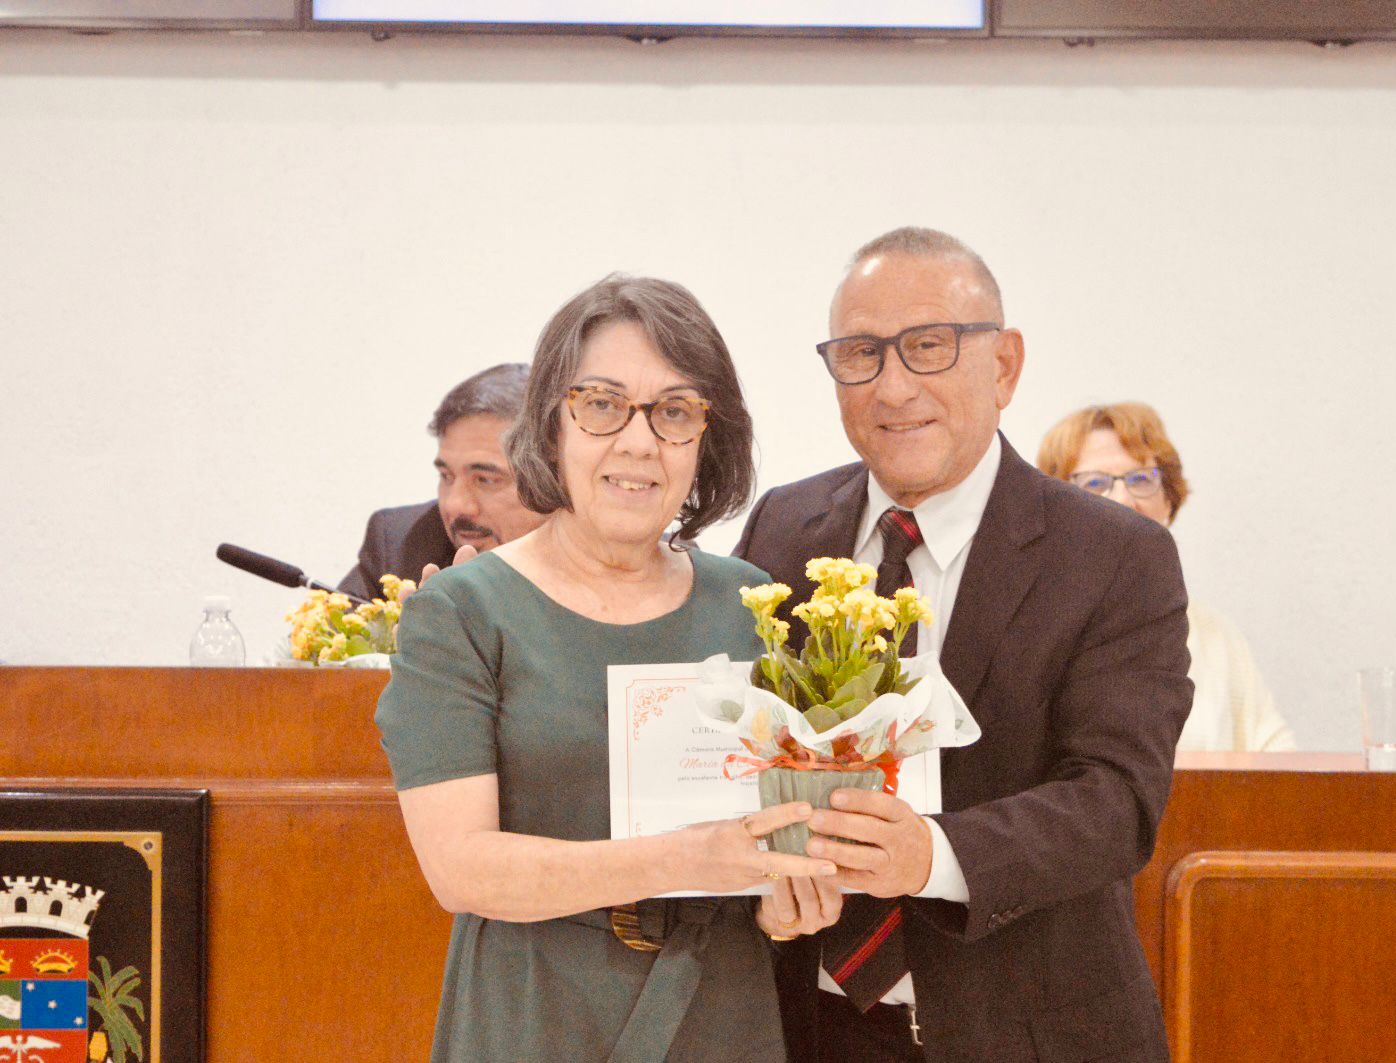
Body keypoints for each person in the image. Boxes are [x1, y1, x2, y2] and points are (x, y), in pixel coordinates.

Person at [736, 228, 1193, 1062]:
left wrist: (931, 854)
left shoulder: (1115, 555)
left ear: (1004, 365)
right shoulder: (784, 527)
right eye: (861, 353)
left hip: (1031, 1035)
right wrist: (761, 879)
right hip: (810, 1028)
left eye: (929, 345)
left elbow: (1116, 800)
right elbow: (737, 751)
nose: (893, 385)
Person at [374, 276, 842, 1061]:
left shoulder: (752, 604)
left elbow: (763, 842)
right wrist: (687, 857)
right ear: (550, 425)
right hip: (534, 1012)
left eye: (674, 411)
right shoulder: (461, 612)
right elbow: (461, 869)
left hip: (722, 1009)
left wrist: (786, 899)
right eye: (601, 404)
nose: (638, 441)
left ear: (708, 437)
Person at [1037, 402, 1295, 752]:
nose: (1123, 499)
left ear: (1169, 502)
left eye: (1141, 479)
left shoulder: (1215, 635)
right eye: (1095, 483)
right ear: (1058, 508)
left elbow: (1275, 757)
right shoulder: (1035, 631)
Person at [336, 363, 545, 601]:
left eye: (485, 480)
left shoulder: (582, 561)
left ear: (556, 481)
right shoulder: (403, 545)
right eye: (447, 476)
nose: (454, 505)